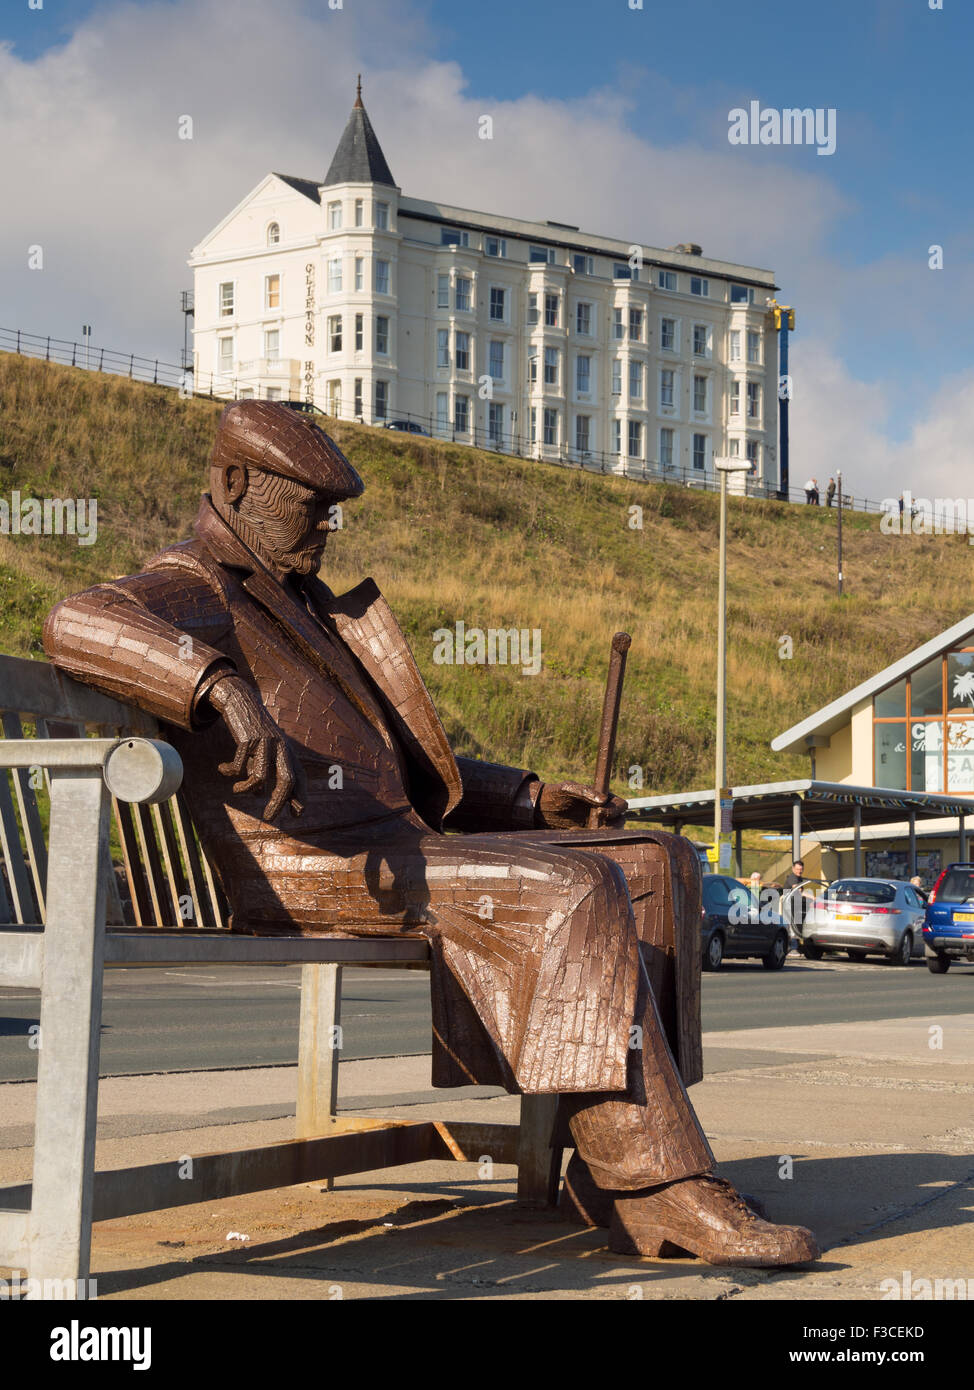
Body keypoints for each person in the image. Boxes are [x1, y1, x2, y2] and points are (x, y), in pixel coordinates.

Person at [43, 401, 816, 1267]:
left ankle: (610, 1170)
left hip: (394, 849)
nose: (328, 526)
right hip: (313, 865)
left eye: (333, 510)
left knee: (653, 859)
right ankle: (658, 1183)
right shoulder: (198, 584)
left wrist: (529, 802)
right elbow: (74, 620)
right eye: (310, 506)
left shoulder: (300, 603)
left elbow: (407, 774)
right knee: (572, 891)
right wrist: (215, 684)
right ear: (232, 485)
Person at [782, 859, 809, 932]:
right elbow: (798, 890)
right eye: (797, 869)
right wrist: (813, 897)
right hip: (788, 904)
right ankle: (791, 939)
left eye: (801, 869)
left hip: (794, 903)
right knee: (790, 924)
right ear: (793, 869)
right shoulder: (793, 877)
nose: (799, 871)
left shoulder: (799, 878)